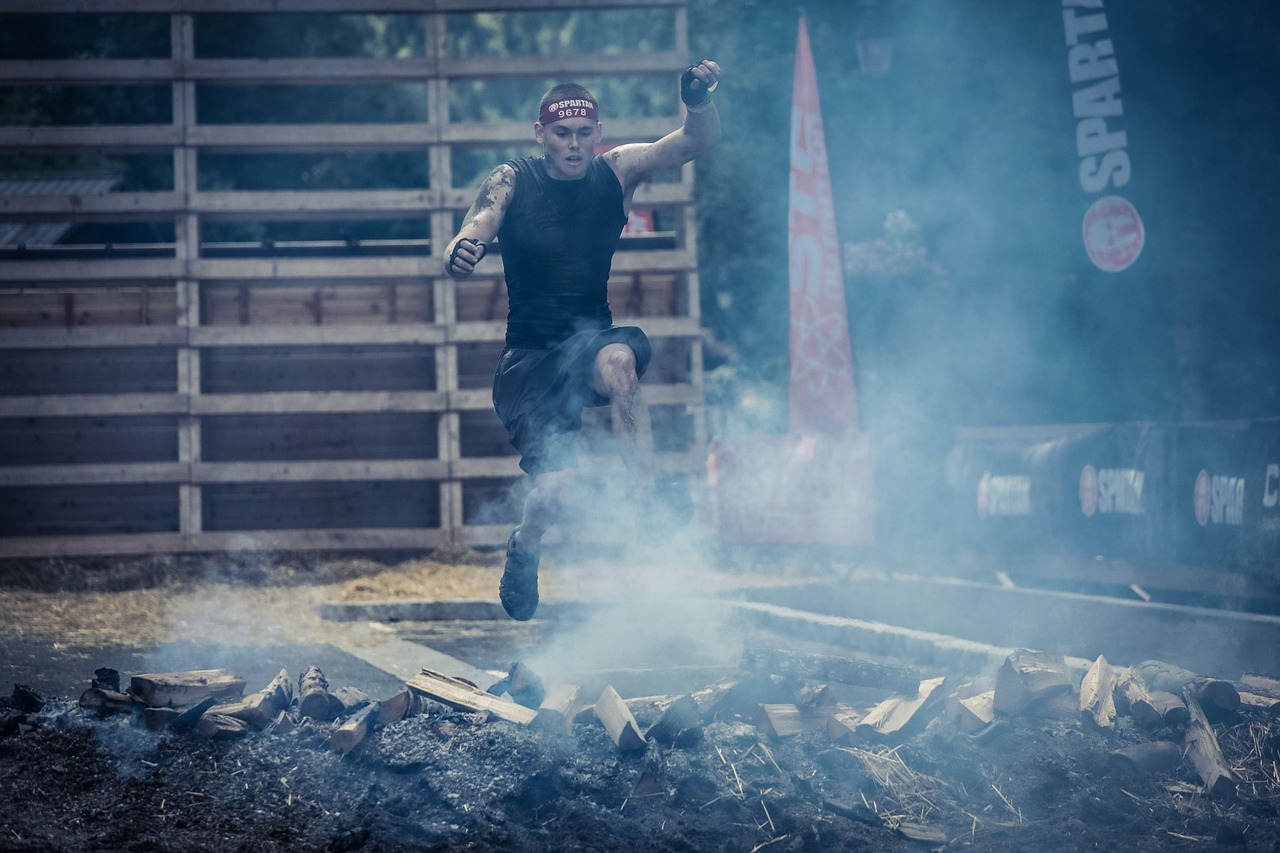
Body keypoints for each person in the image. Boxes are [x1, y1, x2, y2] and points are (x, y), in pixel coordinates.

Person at [443, 60, 722, 621]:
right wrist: (460, 250)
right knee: (557, 493)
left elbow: (696, 141)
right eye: (562, 133)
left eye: (583, 133)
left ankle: (646, 497)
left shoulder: (617, 171)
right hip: (529, 361)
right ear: (540, 134)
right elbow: (474, 227)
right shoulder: (512, 179)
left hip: (590, 342)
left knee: (620, 360)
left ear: (599, 133)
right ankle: (525, 545)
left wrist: (696, 100)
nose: (573, 145)